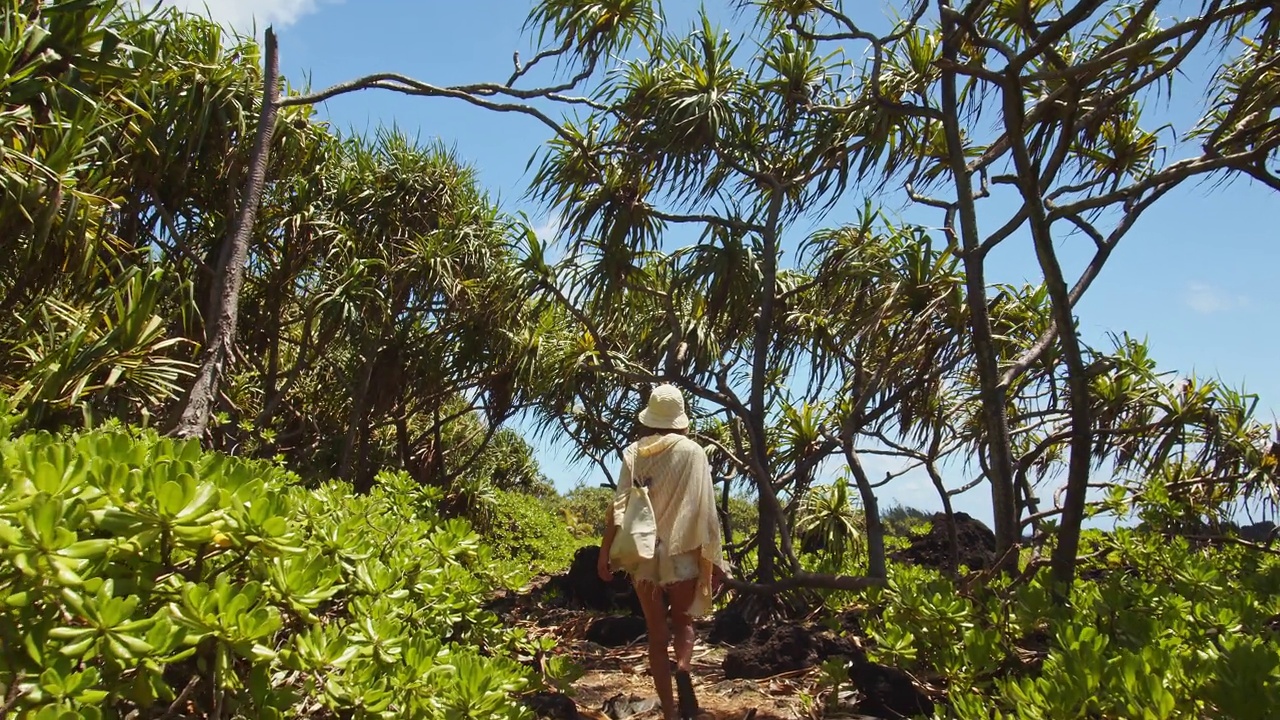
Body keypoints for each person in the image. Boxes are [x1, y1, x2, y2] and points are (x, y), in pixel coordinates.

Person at [597, 384, 729, 720]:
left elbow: (619, 508)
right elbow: (705, 510)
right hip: (683, 553)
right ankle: (683, 667)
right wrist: (715, 561)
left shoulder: (634, 453)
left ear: (650, 417)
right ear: (680, 419)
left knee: (657, 635)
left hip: (644, 555)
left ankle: (669, 711)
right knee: (684, 623)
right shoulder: (693, 453)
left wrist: (604, 553)